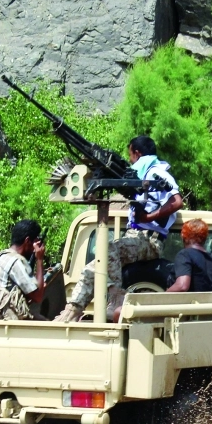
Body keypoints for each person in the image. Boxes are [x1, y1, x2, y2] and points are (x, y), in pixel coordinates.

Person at [54, 136, 183, 322]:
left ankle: (116, 297)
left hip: (149, 240)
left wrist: (147, 217)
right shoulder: (143, 174)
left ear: (137, 153)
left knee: (108, 249)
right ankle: (72, 312)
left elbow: (177, 201)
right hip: (136, 238)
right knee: (92, 269)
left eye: (130, 156)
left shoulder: (157, 173)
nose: (130, 161)